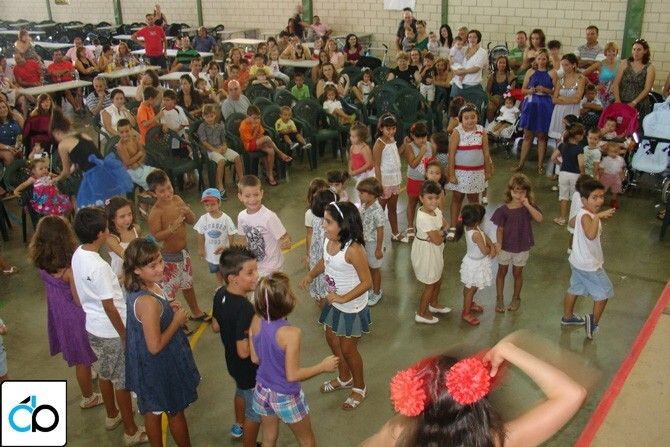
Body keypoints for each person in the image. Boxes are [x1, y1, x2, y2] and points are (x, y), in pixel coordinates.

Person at [362, 335, 587, 446]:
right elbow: (571, 394)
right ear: (475, 397)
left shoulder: (398, 433)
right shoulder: (499, 441)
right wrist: (509, 350)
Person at [71, 208, 148, 445]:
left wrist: (114, 282)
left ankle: (112, 415)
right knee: (122, 382)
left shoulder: (79, 253)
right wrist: (124, 335)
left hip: (93, 327)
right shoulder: (100, 266)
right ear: (100, 234)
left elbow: (82, 292)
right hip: (112, 331)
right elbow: (109, 306)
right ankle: (131, 430)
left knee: (105, 373)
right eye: (106, 226)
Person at [123, 238, 200, 447]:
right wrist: (176, 322)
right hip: (159, 366)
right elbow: (154, 346)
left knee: (153, 410)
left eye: (160, 261)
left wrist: (167, 308)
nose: (160, 268)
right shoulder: (147, 302)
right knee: (175, 411)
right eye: (153, 265)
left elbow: (151, 320)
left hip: (148, 366)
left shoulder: (146, 287)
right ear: (137, 270)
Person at [250, 273, 338, 445]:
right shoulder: (291, 334)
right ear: (285, 302)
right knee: (306, 440)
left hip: (262, 390)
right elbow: (292, 375)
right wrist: (322, 366)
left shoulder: (255, 320)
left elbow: (254, 358)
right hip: (285, 396)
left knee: (268, 438)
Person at [300, 201, 371, 410]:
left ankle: (359, 387)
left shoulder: (353, 250)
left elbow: (367, 282)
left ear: (343, 224)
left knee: (348, 350)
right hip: (334, 303)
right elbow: (325, 261)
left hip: (351, 307)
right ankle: (345, 377)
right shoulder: (328, 240)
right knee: (332, 339)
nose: (323, 225)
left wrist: (343, 298)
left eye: (328, 222)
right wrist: (311, 274)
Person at [28, 216, 101, 408]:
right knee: (82, 360)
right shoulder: (69, 268)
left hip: (59, 313)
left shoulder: (42, 261)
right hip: (75, 317)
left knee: (80, 354)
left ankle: (90, 372)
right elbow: (78, 299)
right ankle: (88, 397)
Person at [146, 169, 211, 334]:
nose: (168, 193)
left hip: (184, 253)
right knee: (169, 294)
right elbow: (156, 236)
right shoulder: (156, 212)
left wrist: (188, 213)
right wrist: (171, 229)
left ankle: (196, 312)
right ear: (153, 194)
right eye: (162, 191)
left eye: (169, 187)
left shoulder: (177, 199)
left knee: (187, 284)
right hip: (167, 258)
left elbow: (192, 220)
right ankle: (175, 323)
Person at [211, 247, 261, 445]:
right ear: (233, 278)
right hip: (248, 368)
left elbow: (215, 326)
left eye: (256, 270)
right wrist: (256, 330)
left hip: (232, 362)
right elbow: (244, 351)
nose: (256, 276)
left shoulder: (220, 294)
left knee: (241, 390)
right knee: (255, 413)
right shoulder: (245, 308)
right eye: (250, 272)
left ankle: (238, 425)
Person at [562, 177, 616, 339]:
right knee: (605, 292)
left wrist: (588, 214)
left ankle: (568, 317)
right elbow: (591, 235)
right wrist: (597, 217)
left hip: (577, 261)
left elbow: (572, 223)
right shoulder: (588, 216)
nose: (599, 201)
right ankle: (592, 324)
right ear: (584, 200)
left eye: (601, 196)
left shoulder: (582, 213)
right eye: (594, 197)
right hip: (589, 265)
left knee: (575, 288)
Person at [51, 112, 133, 208]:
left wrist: (56, 179)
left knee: (93, 207)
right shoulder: (82, 135)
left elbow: (66, 172)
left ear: (57, 132)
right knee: (110, 203)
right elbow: (82, 158)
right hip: (105, 169)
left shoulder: (63, 145)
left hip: (93, 177)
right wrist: (72, 169)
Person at [491, 174, 543, 313]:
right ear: (510, 191)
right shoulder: (503, 210)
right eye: (516, 191)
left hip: (522, 246)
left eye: (522, 192)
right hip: (505, 247)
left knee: (518, 273)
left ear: (527, 192)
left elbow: (539, 219)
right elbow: (500, 229)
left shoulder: (528, 208)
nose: (519, 195)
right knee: (502, 271)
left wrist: (528, 205)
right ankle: (499, 298)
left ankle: (516, 297)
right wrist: (499, 244)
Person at [445, 104, 492, 241]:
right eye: (466, 118)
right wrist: (451, 174)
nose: (470, 120)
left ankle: (473, 225)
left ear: (477, 117)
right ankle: (453, 226)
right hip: (460, 173)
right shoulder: (457, 132)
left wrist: (487, 170)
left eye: (473, 117)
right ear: (461, 119)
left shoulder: (482, 131)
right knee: (457, 198)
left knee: (474, 200)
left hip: (476, 173)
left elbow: (486, 152)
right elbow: (451, 154)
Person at [236, 175, 291, 277]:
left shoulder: (269, 217)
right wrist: (231, 252)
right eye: (247, 196)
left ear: (261, 193)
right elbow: (243, 239)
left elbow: (285, 236)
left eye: (256, 194)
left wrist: (286, 242)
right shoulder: (241, 216)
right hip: (255, 266)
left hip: (273, 268)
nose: (252, 199)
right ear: (240, 197)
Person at [411, 180, 450, 324]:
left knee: (438, 277)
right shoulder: (423, 217)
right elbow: (438, 240)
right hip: (426, 252)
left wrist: (441, 232)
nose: (434, 201)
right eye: (430, 198)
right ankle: (421, 313)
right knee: (430, 283)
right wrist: (442, 233)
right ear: (421, 198)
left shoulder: (436, 210)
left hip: (434, 250)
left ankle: (433, 303)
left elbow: (446, 225)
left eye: (436, 197)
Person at [513, 49, 556, 174]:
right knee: (527, 135)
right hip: (531, 104)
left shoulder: (552, 72)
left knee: (542, 136)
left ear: (547, 59)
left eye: (544, 59)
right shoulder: (530, 71)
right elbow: (523, 90)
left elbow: (555, 91)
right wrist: (529, 91)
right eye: (539, 58)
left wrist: (545, 90)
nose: (541, 61)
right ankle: (521, 163)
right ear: (536, 59)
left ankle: (540, 165)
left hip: (545, 104)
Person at [454, 204, 495, 325]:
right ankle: (466, 313)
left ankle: (469, 303)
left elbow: (484, 235)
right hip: (474, 265)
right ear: (478, 221)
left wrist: (492, 245)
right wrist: (492, 250)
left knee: (472, 287)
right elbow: (484, 251)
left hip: (477, 263)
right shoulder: (475, 234)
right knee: (470, 289)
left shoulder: (473, 227)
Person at [193, 188, 237, 288]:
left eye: (213, 204)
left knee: (228, 271)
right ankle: (219, 286)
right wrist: (200, 248)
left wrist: (230, 248)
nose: (210, 208)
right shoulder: (203, 219)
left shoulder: (226, 219)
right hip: (211, 253)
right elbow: (200, 233)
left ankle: (231, 287)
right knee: (216, 271)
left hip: (224, 254)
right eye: (207, 205)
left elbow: (231, 233)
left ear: (219, 203)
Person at [239, 106, 292, 186]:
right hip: (249, 145)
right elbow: (251, 140)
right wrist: (255, 130)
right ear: (247, 116)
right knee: (267, 138)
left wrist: (264, 141)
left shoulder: (257, 121)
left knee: (271, 151)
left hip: (258, 143)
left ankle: (269, 174)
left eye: (258, 117)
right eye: (254, 118)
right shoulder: (243, 126)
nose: (257, 120)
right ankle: (280, 153)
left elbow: (261, 134)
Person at [197, 103, 244, 195]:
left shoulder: (220, 126)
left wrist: (225, 146)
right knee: (221, 161)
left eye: (211, 116)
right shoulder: (202, 127)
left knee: (237, 157)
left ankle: (241, 181)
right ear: (203, 116)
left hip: (220, 147)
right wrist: (216, 150)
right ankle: (220, 185)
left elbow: (223, 140)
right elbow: (204, 142)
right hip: (210, 151)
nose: (210, 119)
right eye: (207, 116)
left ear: (215, 115)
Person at [372, 113, 403, 241]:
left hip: (395, 180)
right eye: (388, 129)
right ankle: (372, 234)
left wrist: (404, 146)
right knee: (380, 210)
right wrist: (379, 185)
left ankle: (395, 233)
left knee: (393, 208)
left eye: (393, 128)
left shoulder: (392, 140)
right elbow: (377, 166)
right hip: (384, 182)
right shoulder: (379, 144)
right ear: (381, 128)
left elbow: (395, 156)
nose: (391, 131)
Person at [401, 122, 434, 241]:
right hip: (414, 180)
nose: (422, 140)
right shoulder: (409, 147)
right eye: (418, 137)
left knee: (425, 205)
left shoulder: (430, 145)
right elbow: (413, 164)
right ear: (412, 136)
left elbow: (433, 162)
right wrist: (421, 152)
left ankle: (422, 226)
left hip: (426, 181)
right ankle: (410, 227)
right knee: (412, 203)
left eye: (424, 136)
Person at [356, 178, 386, 307]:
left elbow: (380, 231)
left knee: (375, 269)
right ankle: (370, 289)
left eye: (362, 193)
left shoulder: (377, 210)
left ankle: (377, 292)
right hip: (364, 242)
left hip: (373, 244)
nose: (359, 195)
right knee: (368, 267)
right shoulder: (364, 206)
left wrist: (378, 249)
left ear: (372, 195)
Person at [612, 38, 656, 123]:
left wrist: (634, 103)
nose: (635, 52)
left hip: (639, 103)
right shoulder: (624, 63)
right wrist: (617, 101)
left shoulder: (650, 67)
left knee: (634, 126)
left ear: (645, 51)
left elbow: (647, 89)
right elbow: (616, 83)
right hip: (621, 100)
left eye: (639, 50)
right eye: (634, 49)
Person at [305, 184, 334, 306]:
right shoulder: (327, 222)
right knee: (324, 290)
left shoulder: (317, 219)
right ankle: (324, 306)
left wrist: (309, 255)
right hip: (322, 260)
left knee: (323, 287)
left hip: (320, 260)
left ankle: (323, 302)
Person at [551, 123, 586, 225]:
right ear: (578, 136)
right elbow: (581, 164)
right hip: (575, 175)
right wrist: (583, 174)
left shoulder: (562, 145)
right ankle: (575, 219)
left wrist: (560, 163)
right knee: (576, 197)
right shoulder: (579, 148)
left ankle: (562, 218)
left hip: (563, 174)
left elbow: (553, 158)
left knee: (563, 196)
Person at [548, 54, 585, 144]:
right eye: (562, 65)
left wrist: (562, 98)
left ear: (574, 65)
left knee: (571, 137)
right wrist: (570, 99)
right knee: (559, 138)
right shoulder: (560, 79)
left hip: (572, 111)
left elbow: (577, 99)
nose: (564, 67)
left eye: (566, 65)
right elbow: (554, 100)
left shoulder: (581, 78)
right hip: (559, 110)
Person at [115, 119, 157, 191]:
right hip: (130, 171)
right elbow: (127, 162)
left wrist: (138, 163)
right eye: (121, 132)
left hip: (140, 165)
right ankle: (150, 193)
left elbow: (143, 152)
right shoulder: (120, 146)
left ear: (131, 130)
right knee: (152, 181)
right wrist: (139, 154)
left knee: (158, 173)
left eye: (127, 131)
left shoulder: (135, 139)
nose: (125, 134)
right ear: (118, 133)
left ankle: (152, 193)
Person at [105, 196, 140, 279]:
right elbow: (125, 255)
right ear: (112, 218)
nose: (127, 219)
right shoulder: (111, 238)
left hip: (138, 270)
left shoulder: (136, 229)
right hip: (121, 275)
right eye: (122, 216)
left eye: (129, 214)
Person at [450, 30, 488, 101]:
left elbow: (476, 68)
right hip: (458, 84)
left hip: (472, 85)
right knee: (455, 106)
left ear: (478, 39)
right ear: (467, 39)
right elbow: (452, 60)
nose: (472, 39)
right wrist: (454, 70)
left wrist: (461, 72)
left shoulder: (482, 52)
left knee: (472, 106)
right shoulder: (463, 49)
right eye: (470, 37)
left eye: (474, 37)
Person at [582, 41, 620, 107]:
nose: (611, 53)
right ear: (605, 53)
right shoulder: (600, 64)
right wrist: (593, 86)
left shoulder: (621, 64)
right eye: (609, 51)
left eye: (613, 51)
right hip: (602, 96)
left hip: (616, 95)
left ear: (616, 52)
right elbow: (582, 75)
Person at [47, 50, 83, 114]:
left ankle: (80, 107)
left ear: (62, 55)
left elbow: (72, 72)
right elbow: (56, 73)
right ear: (53, 57)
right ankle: (76, 108)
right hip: (59, 85)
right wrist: (66, 70)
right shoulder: (51, 66)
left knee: (79, 88)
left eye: (59, 54)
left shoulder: (68, 63)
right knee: (67, 91)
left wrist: (61, 73)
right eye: (56, 55)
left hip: (71, 83)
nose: (58, 56)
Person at [486, 55, 515, 122]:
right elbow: (487, 91)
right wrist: (493, 99)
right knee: (490, 107)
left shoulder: (510, 76)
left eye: (504, 63)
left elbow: (511, 92)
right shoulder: (492, 76)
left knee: (506, 108)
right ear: (497, 64)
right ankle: (491, 125)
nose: (502, 64)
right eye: (500, 62)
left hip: (507, 100)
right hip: (494, 99)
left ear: (506, 64)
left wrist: (502, 99)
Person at [599, 142, 626, 209]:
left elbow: (621, 168)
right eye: (611, 152)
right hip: (606, 176)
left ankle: (613, 201)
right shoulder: (605, 159)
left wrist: (622, 176)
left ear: (619, 152)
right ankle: (599, 200)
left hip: (616, 177)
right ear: (607, 152)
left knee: (615, 190)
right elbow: (601, 169)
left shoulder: (621, 159)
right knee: (603, 190)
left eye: (615, 152)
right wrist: (599, 176)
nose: (613, 154)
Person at [0, 101, 21, 166]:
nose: (2, 110)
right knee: (8, 156)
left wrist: (19, 147)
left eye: (4, 107)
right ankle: (7, 173)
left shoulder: (16, 117)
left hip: (17, 146)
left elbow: (25, 132)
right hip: (3, 148)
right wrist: (8, 148)